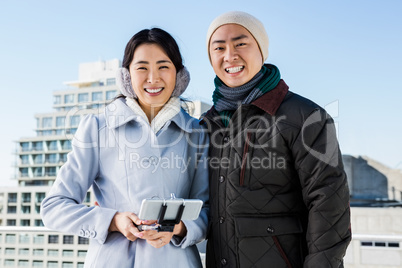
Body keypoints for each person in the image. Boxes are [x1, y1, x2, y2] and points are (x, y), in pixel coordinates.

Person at [41, 27, 209, 268]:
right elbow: (54, 207)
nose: (153, 78)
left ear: (179, 76)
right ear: (127, 76)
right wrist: (113, 220)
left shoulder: (197, 134)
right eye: (142, 68)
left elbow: (208, 211)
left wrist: (180, 227)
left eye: (163, 66)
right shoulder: (98, 129)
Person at [201, 11, 351, 267]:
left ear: (261, 50)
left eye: (240, 43)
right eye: (219, 47)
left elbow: (328, 202)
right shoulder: (207, 123)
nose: (230, 55)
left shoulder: (306, 116)